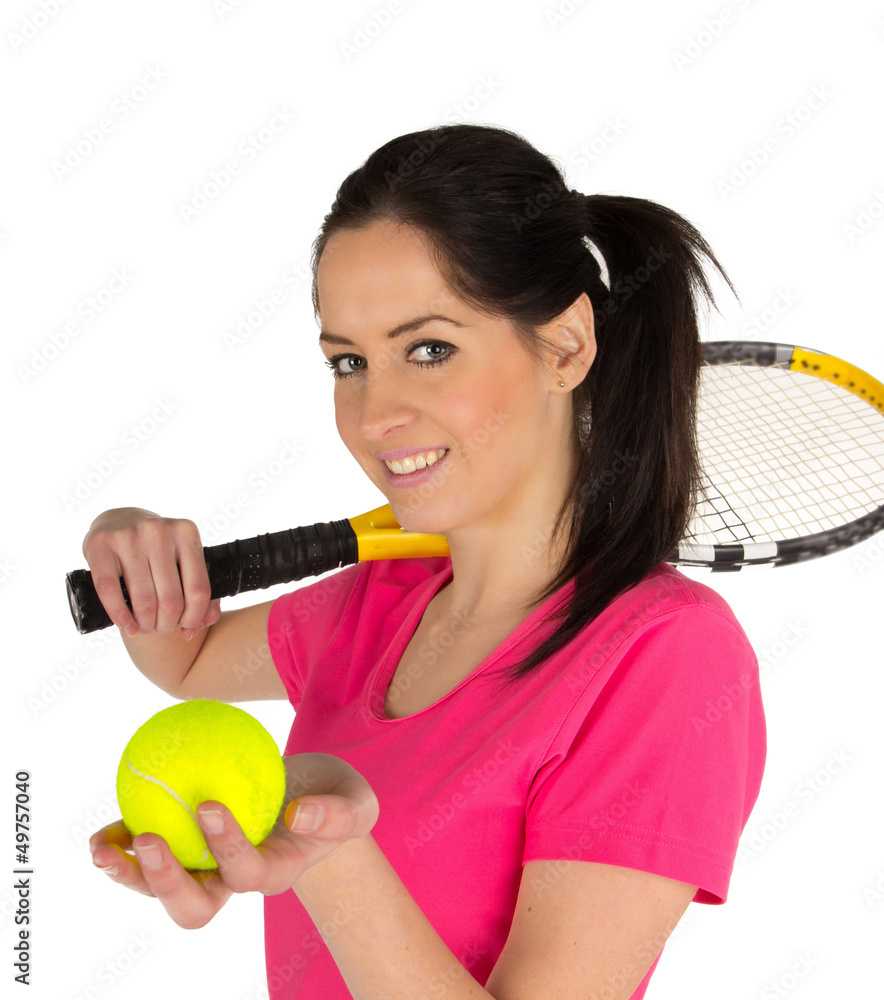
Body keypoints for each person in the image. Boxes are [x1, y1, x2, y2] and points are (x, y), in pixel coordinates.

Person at [85, 123, 767, 1000]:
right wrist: (127, 534)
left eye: (429, 350)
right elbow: (184, 657)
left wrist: (322, 846)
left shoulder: (666, 658)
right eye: (349, 363)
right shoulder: (381, 602)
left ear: (565, 346)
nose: (376, 415)